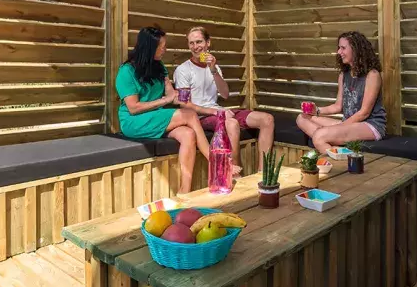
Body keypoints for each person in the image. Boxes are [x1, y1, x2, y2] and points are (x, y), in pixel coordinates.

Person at [116, 26, 210, 193]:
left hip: (156, 117)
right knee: (189, 115)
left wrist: (183, 95)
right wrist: (164, 100)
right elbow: (133, 108)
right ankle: (217, 163)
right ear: (150, 47)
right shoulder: (126, 72)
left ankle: (184, 191)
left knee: (188, 135)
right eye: (162, 46)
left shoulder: (159, 67)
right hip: (134, 121)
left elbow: (172, 94)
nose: (165, 49)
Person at [173, 27, 276, 172]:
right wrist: (215, 112)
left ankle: (263, 175)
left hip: (218, 110)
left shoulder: (214, 67)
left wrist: (213, 69)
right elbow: (185, 105)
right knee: (231, 123)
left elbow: (225, 94)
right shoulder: (183, 70)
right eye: (191, 43)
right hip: (200, 117)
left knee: (267, 119)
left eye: (199, 42)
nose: (195, 47)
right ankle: (235, 175)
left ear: (208, 43)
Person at [296, 31, 387, 155]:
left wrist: (338, 128)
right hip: (348, 122)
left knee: (318, 136)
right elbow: (338, 106)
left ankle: (335, 148)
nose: (339, 52)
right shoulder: (343, 75)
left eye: (343, 48)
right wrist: (316, 110)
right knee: (302, 118)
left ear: (356, 50)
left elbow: (364, 113)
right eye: (339, 48)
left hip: (369, 125)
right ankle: (335, 144)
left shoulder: (372, 75)